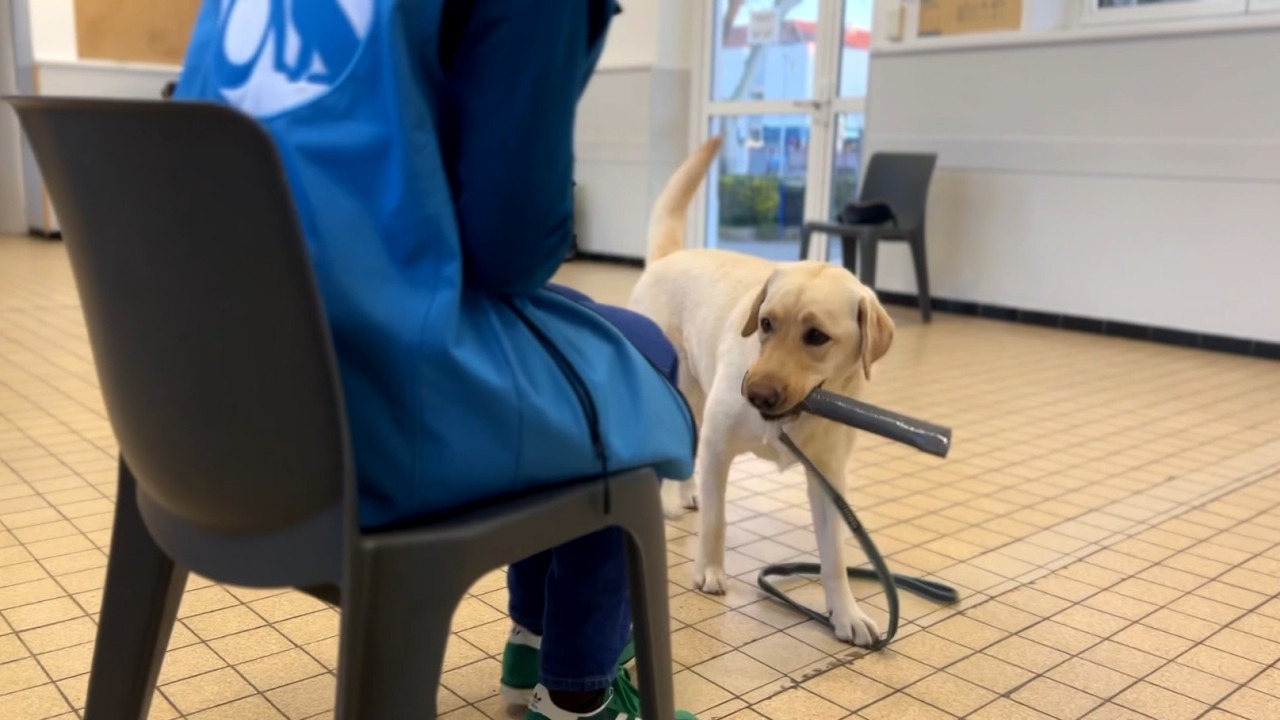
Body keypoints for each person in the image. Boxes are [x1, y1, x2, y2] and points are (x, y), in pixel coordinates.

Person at [174, 2, 697, 719]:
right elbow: (510, 250)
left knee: (594, 338)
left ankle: (533, 640)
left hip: (190, 405)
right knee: (641, 352)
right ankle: (578, 690)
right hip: (365, 409)